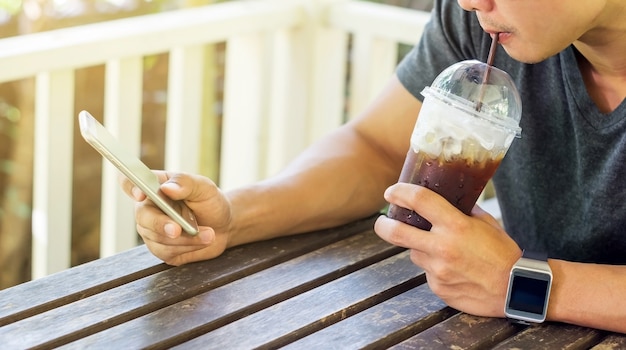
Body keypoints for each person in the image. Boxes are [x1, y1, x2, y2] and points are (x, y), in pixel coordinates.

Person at [121, 0, 626, 333]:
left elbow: (511, 284)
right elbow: (377, 148)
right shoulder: (481, 22)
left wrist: (522, 283)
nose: (472, 2)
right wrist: (234, 216)